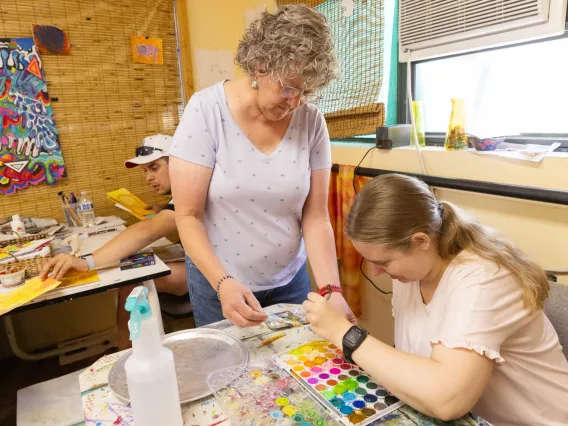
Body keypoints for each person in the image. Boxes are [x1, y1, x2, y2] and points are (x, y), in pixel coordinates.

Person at [304, 173, 568, 425]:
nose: (376, 272)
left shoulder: (484, 279)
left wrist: (346, 335)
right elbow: (417, 364)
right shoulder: (414, 272)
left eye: (383, 262)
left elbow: (447, 400)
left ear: (421, 241)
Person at [168, 4, 355, 328]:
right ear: (259, 66)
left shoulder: (311, 122)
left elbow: (315, 217)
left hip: (289, 281)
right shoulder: (206, 111)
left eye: (307, 91)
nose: (296, 101)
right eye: (288, 87)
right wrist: (223, 283)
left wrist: (331, 289)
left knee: (296, 371)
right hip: (219, 283)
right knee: (228, 374)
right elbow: (188, 216)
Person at [40, 134, 188, 348]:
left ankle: (124, 354)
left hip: (209, 274)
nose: (148, 178)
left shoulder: (189, 194)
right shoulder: (179, 196)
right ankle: (127, 349)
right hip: (198, 264)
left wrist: (86, 262)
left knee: (133, 281)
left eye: (154, 168)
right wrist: (161, 210)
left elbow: (146, 230)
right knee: (129, 272)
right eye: (145, 171)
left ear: (177, 163)